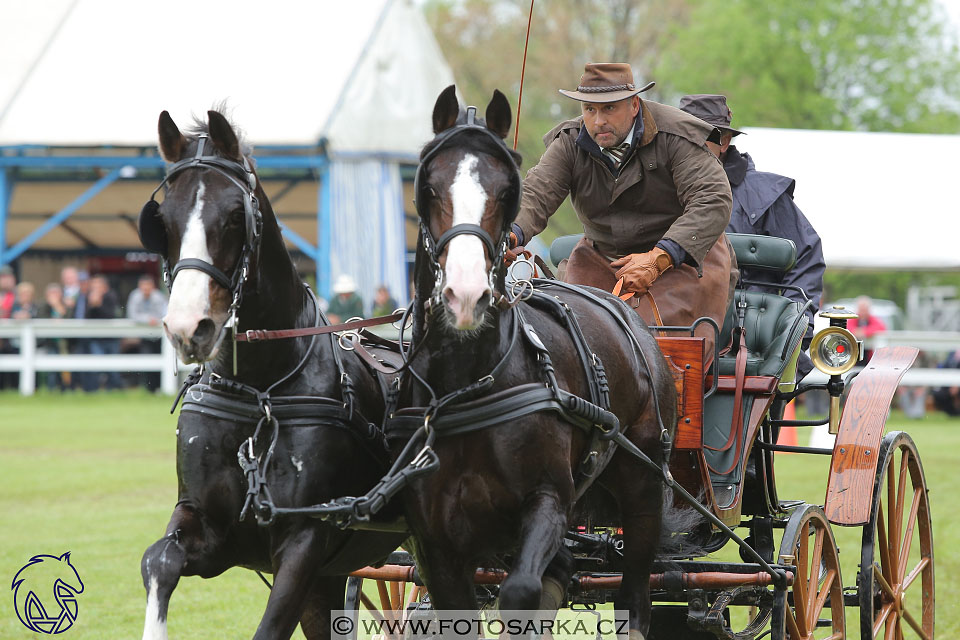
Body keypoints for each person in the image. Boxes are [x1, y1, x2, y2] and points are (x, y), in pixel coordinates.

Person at [510, 63, 736, 357]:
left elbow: (713, 198)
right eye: (589, 110)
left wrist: (659, 258)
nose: (598, 120)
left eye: (609, 109)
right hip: (600, 257)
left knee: (659, 350)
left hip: (683, 261)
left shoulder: (677, 134)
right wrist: (509, 235)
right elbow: (537, 193)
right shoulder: (569, 141)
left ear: (634, 105)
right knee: (567, 332)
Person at [678, 94, 825, 377]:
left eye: (699, 136)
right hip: (675, 328)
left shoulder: (764, 195)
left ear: (724, 142)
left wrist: (793, 327)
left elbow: (807, 256)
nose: (688, 145)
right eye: (682, 135)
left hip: (749, 340)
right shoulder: (658, 192)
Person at [125, 274, 167, 391]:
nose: (146, 290)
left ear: (152, 287)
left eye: (148, 287)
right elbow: (132, 314)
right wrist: (148, 319)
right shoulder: (135, 296)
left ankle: (158, 387)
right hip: (143, 337)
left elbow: (164, 313)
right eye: (144, 288)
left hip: (158, 336)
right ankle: (149, 388)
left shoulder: (158, 297)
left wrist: (154, 320)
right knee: (146, 361)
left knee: (159, 360)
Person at [84, 274, 122, 391]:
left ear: (104, 287)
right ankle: (94, 390)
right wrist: (92, 305)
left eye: (97, 286)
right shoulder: (88, 298)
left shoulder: (111, 296)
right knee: (96, 365)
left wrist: (99, 305)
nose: (95, 289)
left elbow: (110, 315)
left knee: (113, 367)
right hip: (96, 338)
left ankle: (114, 389)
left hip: (111, 338)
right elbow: (86, 317)